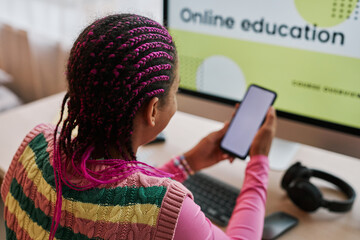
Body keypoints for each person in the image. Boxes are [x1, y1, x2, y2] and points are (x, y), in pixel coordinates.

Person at [1, 14, 276, 240]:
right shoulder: (169, 207)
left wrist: (187, 162)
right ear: (153, 110)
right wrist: (259, 161)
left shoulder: (35, 145)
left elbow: (114, 199)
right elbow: (137, 208)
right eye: (175, 91)